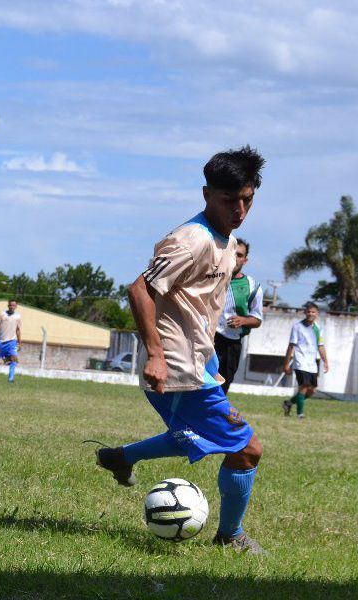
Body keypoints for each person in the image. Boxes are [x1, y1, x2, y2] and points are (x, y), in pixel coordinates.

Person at [94, 146, 267, 554]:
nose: (239, 210)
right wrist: (154, 353)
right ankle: (231, 536)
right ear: (207, 194)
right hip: (175, 368)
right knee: (246, 449)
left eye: (247, 199)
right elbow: (140, 289)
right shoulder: (191, 241)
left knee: (193, 437)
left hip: (198, 364)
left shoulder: (228, 240)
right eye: (230, 201)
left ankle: (121, 457)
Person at [213, 239, 264, 394]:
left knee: (222, 389)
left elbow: (257, 319)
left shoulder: (252, 286)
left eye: (240, 255)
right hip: (207, 338)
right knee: (199, 384)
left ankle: (214, 416)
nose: (235, 258)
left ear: (245, 260)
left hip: (231, 344)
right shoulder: (210, 276)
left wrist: (243, 320)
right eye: (233, 253)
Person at [282, 302, 329, 418]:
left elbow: (320, 346)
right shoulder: (297, 327)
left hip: (312, 364)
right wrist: (286, 364)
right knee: (303, 387)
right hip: (300, 362)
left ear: (317, 314)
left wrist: (325, 361)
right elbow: (291, 345)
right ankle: (300, 415)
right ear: (305, 313)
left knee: (312, 390)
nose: (310, 314)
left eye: (313, 312)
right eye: (308, 311)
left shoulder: (318, 328)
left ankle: (289, 403)